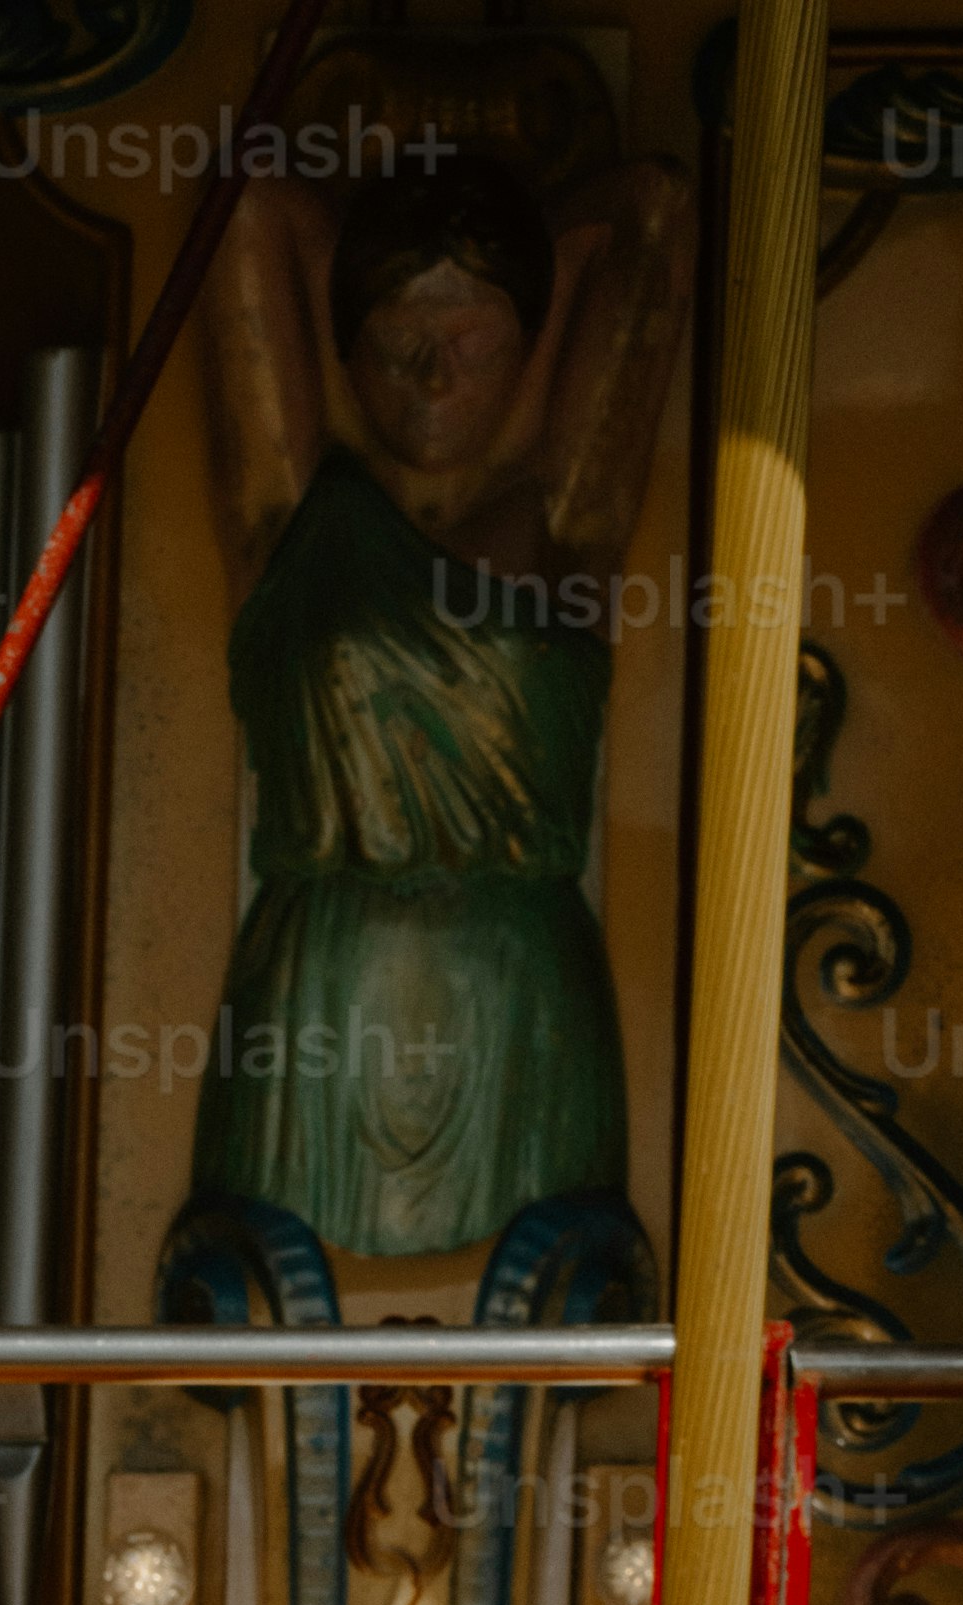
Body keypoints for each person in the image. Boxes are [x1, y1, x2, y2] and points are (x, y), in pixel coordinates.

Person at [193, 134, 690, 1269]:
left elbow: (655, 203)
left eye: (470, 342)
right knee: (269, 1296)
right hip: (317, 990)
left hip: (524, 997)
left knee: (552, 1301)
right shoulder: (289, 526)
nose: (431, 378)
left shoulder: (564, 527)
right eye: (397, 342)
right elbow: (244, 200)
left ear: (527, 345)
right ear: (346, 344)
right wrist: (396, 232)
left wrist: (512, 233)